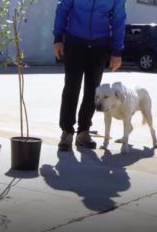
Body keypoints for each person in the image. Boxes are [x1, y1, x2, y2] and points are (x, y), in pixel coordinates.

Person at [53, 0, 127, 151]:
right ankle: (67, 132)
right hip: (74, 43)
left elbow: (119, 19)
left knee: (93, 91)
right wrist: (58, 38)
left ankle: (83, 132)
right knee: (71, 87)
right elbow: (62, 9)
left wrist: (117, 51)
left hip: (100, 46)